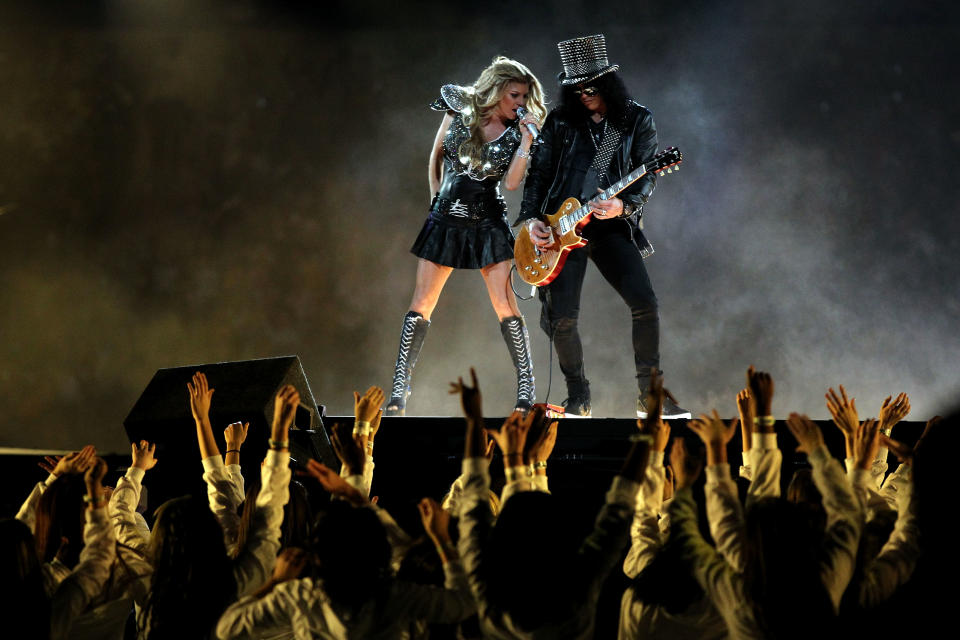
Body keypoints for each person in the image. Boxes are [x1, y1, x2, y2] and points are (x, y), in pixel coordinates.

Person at [518, 34, 689, 418]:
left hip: (609, 227)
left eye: (590, 89)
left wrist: (623, 205)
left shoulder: (636, 119)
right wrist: (531, 220)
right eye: (575, 90)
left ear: (608, 83)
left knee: (645, 304)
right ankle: (578, 398)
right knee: (561, 319)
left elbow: (646, 174)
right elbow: (539, 172)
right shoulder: (561, 121)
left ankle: (651, 396)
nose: (583, 96)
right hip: (559, 230)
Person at [385, 56, 547, 416]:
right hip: (445, 219)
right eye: (515, 95)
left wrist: (525, 143)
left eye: (524, 97)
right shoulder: (460, 105)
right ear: (496, 88)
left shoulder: (520, 130)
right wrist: (434, 202)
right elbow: (437, 155)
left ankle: (526, 392)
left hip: (488, 221)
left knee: (505, 305)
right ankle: (399, 391)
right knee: (421, 304)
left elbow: (511, 183)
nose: (520, 103)